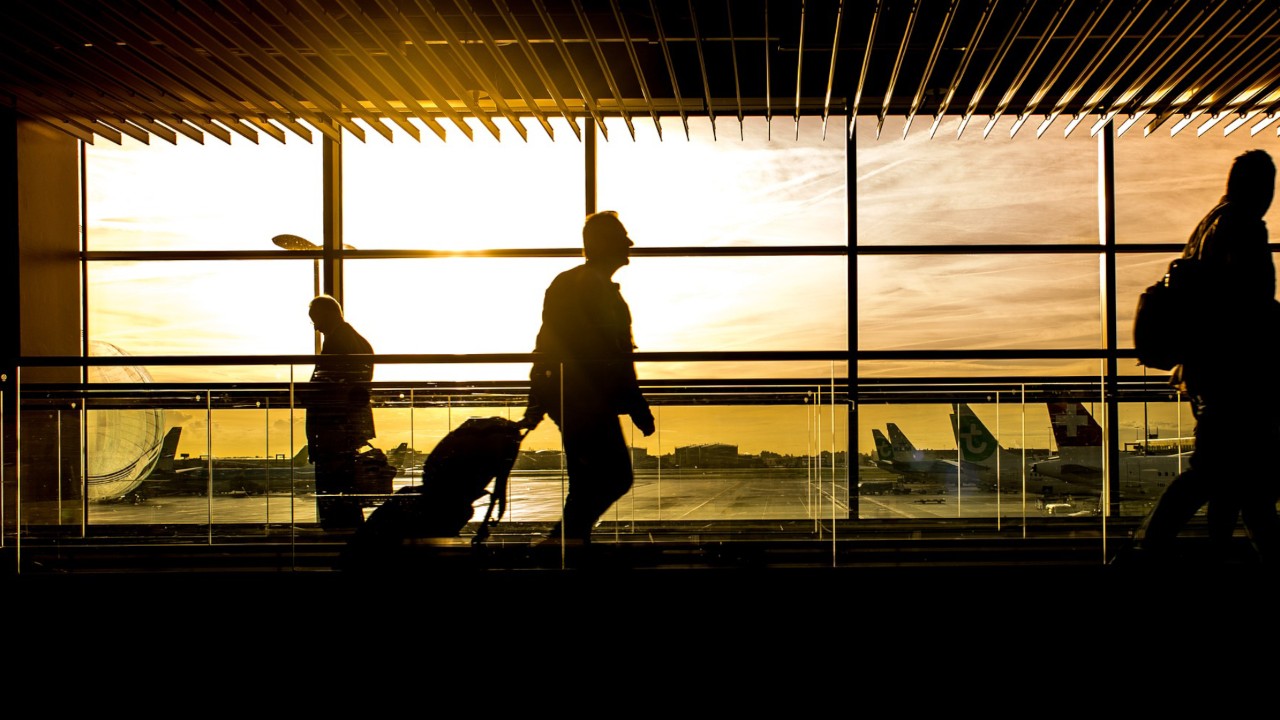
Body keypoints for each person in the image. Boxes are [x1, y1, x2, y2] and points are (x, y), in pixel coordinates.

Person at [1137, 149, 1280, 564]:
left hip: (1206, 372)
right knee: (1226, 474)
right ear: (1259, 186)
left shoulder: (1207, 226)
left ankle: (1163, 547)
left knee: (1230, 474)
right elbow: (1251, 305)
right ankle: (1150, 548)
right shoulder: (1243, 227)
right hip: (1236, 373)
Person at [520, 211, 656, 548]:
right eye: (622, 236)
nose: (630, 242)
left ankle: (568, 545)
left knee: (591, 480)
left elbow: (549, 345)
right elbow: (610, 356)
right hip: (584, 400)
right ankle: (564, 543)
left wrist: (539, 398)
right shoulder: (588, 288)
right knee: (614, 477)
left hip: (578, 398)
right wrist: (636, 405)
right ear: (602, 244)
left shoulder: (580, 285)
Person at [301, 294, 376, 530]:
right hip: (345, 429)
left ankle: (339, 542)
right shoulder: (357, 341)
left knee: (334, 495)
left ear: (329, 315)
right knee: (346, 495)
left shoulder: (338, 342)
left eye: (316, 319)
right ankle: (348, 542)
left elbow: (331, 387)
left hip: (333, 430)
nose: (315, 326)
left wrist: (308, 394)